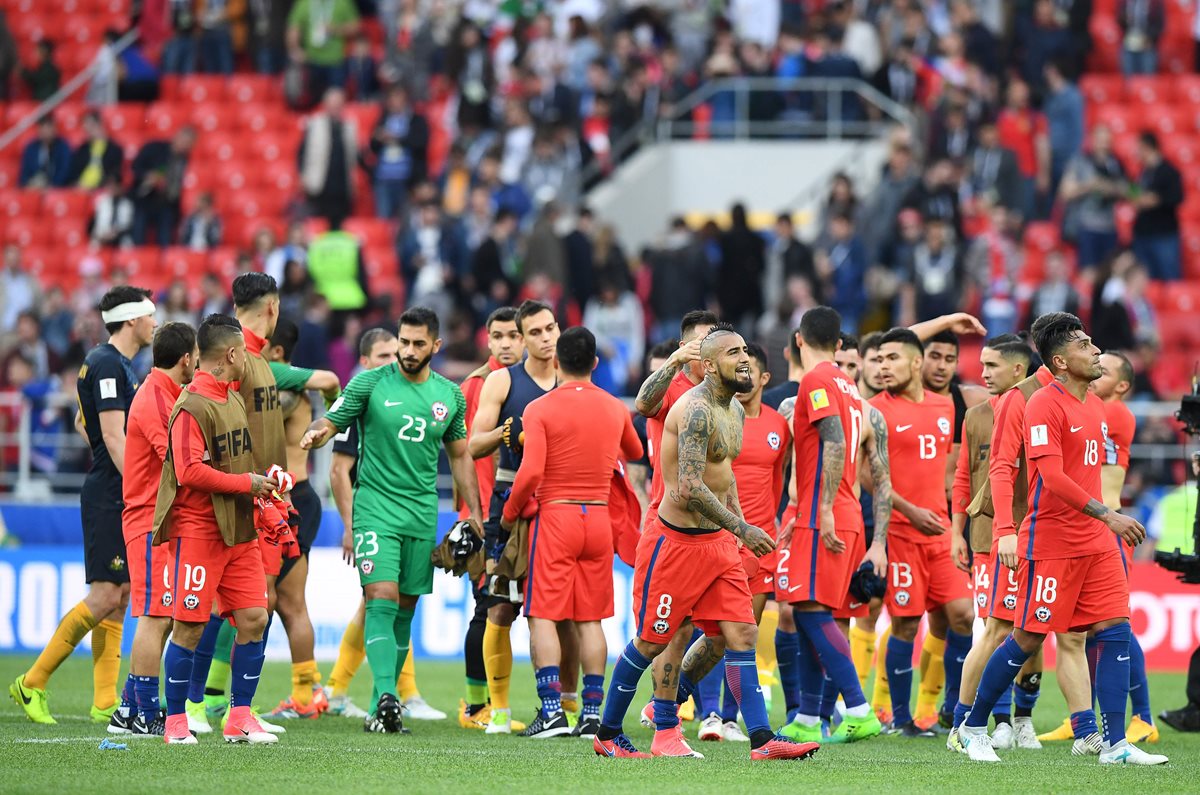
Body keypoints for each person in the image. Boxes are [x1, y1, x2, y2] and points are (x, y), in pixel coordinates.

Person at [593, 324, 817, 762]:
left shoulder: (732, 408)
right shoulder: (694, 409)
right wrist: (743, 529)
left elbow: (724, 476)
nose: (746, 358)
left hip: (718, 544)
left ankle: (761, 740)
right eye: (734, 352)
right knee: (652, 641)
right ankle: (608, 733)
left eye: (747, 351)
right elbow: (690, 487)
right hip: (675, 543)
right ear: (710, 365)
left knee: (741, 632)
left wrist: (740, 529)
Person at [956, 313, 1167, 766]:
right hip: (1051, 543)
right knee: (1026, 637)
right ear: (1060, 360)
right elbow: (1050, 477)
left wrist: (1104, 521)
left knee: (1114, 630)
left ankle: (1112, 745)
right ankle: (973, 727)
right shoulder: (1040, 405)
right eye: (1085, 344)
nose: (1095, 350)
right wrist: (1107, 514)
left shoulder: (1094, 404)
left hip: (1096, 543)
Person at [301, 307, 484, 734]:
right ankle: (387, 694)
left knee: (405, 606)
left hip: (421, 512)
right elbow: (333, 419)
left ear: (435, 347)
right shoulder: (368, 382)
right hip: (375, 507)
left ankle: (378, 709)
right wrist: (318, 432)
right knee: (380, 595)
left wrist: (473, 512)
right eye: (404, 341)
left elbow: (460, 457)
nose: (408, 350)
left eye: (419, 343)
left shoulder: (449, 397)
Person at [10, 286, 156, 725]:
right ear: (131, 321)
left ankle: (105, 700)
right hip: (113, 494)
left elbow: (82, 421)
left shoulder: (108, 363)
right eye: (149, 316)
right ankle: (32, 682)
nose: (154, 323)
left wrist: (101, 448)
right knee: (106, 594)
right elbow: (112, 435)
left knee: (119, 596)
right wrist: (138, 487)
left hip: (111, 487)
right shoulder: (111, 364)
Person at [502, 327, 643, 739]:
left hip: (558, 516)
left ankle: (551, 712)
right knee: (591, 619)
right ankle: (592, 714)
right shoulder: (615, 407)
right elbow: (634, 451)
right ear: (596, 364)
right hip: (597, 517)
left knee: (543, 614)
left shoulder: (541, 409)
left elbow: (530, 474)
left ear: (557, 364)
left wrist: (510, 514)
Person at [153, 314, 281, 745]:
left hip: (238, 529)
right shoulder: (191, 404)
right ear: (231, 354)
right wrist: (248, 483)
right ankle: (175, 723)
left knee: (254, 617)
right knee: (188, 626)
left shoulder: (232, 398)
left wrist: (263, 489)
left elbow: (235, 465)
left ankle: (239, 717)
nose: (247, 358)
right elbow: (188, 471)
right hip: (200, 531)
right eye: (243, 351)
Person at [775, 307, 885, 744]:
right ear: (840, 344)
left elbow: (835, 442)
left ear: (799, 341)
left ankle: (858, 708)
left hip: (827, 514)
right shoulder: (847, 385)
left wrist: (820, 508)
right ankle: (805, 717)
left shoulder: (817, 381)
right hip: (841, 513)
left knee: (811, 611)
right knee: (806, 612)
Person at [870, 327, 973, 738]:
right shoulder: (874, 410)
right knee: (907, 625)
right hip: (900, 532)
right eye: (878, 360)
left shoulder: (946, 406)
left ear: (916, 362)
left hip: (941, 532)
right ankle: (901, 718)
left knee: (963, 615)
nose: (882, 367)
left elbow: (949, 473)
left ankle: (954, 708)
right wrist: (911, 511)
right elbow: (868, 478)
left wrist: (956, 524)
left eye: (891, 358)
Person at [468, 300, 561, 735]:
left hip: (558, 502)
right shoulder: (502, 381)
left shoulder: (572, 379)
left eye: (550, 329)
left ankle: (568, 707)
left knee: (559, 612)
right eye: (536, 332)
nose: (546, 338)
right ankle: (499, 711)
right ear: (523, 338)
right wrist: (505, 432)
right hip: (509, 498)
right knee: (500, 607)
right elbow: (473, 445)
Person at [631, 310, 719, 742]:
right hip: (672, 526)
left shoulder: (726, 392)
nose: (709, 352)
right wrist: (671, 362)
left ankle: (668, 701)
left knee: (730, 631)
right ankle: (660, 721)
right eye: (700, 344)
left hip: (719, 528)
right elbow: (642, 404)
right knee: (671, 627)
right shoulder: (675, 387)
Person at [696, 341, 791, 743]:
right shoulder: (716, 416)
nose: (744, 375)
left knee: (742, 632)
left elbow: (779, 480)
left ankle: (732, 719)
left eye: (751, 369)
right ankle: (708, 714)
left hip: (758, 542)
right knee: (713, 631)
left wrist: (769, 524)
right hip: (718, 536)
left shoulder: (777, 426)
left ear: (764, 378)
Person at [947, 335, 1037, 752]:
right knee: (996, 627)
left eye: (992, 366)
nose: (982, 373)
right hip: (989, 539)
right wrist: (956, 532)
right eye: (981, 365)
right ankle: (975, 721)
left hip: (1037, 534)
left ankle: (1022, 718)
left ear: (1018, 370)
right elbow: (964, 476)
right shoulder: (976, 415)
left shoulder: (1038, 408)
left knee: (1033, 629)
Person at [111, 321, 198, 739]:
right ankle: (146, 711)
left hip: (156, 519)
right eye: (195, 356)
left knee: (160, 615)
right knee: (155, 616)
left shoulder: (162, 392)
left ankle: (128, 709)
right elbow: (179, 461)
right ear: (186, 358)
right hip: (149, 519)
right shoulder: (156, 399)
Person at [261, 319, 344, 721]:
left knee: (275, 601)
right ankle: (306, 695)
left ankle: (303, 696)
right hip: (289, 498)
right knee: (284, 603)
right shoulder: (289, 390)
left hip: (288, 501)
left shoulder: (281, 387)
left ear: (276, 353)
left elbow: (329, 380)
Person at [323, 329, 402, 720]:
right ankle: (336, 688)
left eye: (396, 354)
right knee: (382, 603)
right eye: (383, 355)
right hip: (372, 515)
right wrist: (350, 525)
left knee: (383, 603)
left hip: (395, 513)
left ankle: (341, 689)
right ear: (366, 361)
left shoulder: (399, 397)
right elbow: (339, 471)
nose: (393, 361)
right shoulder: (359, 397)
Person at [455, 307, 523, 729]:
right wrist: (473, 514)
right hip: (485, 513)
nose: (505, 344)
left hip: (520, 512)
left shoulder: (532, 382)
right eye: (498, 336)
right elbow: (463, 454)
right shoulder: (479, 386)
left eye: (513, 336)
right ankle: (475, 707)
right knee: (487, 608)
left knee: (507, 610)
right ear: (487, 339)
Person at [1089, 350, 1157, 744]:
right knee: (1086, 631)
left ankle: (1144, 717)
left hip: (1108, 526)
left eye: (1105, 370)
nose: (1096, 372)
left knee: (1115, 624)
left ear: (1123, 386)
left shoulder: (1113, 412)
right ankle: (1085, 715)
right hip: (1091, 524)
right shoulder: (1095, 408)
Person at [299, 88, 359, 227]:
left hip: (342, 187)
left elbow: (353, 156)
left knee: (340, 224)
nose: (335, 108)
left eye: (338, 104)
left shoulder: (349, 126)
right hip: (320, 184)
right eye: (332, 104)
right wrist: (303, 176)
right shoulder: (314, 124)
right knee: (319, 223)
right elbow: (302, 153)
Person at [131, 126, 197, 246]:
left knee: (165, 240)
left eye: (188, 143)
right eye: (184, 140)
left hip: (167, 204)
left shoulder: (187, 160)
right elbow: (136, 167)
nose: (184, 145)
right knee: (138, 238)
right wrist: (149, 176)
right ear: (177, 136)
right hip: (145, 200)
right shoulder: (155, 148)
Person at [1131, 132, 1183, 282]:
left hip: (1163, 235)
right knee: (1145, 281)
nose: (1137, 153)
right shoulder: (1143, 173)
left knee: (1170, 278)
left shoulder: (1169, 171)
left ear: (1148, 148)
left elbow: (1177, 197)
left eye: (1139, 149)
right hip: (1143, 234)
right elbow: (1135, 194)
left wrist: (1154, 200)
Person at [68, 111, 123, 190]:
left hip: (101, 189)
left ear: (100, 124)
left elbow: (114, 174)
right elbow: (74, 172)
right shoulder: (82, 149)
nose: (88, 129)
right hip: (81, 188)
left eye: (91, 126)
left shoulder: (114, 149)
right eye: (86, 127)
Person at [18, 115, 71, 188]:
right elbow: (24, 174)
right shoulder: (31, 148)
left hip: (54, 189)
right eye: (42, 128)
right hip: (33, 188)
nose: (45, 132)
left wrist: (51, 186)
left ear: (54, 129)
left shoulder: (63, 147)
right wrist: (29, 184)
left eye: (48, 128)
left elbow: (64, 172)